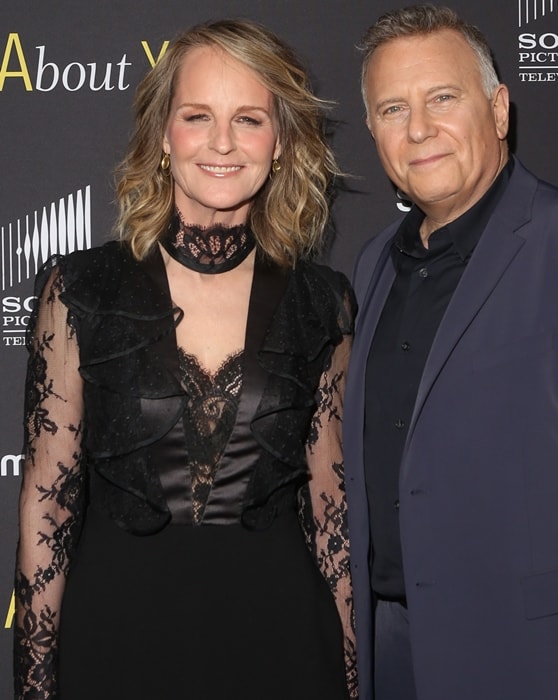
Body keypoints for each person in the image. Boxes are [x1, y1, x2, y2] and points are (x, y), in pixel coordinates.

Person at [343, 5, 558, 700]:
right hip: (395, 656)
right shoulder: (373, 264)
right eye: (391, 108)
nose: (418, 129)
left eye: (443, 98)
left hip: (546, 663)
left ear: (498, 110)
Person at [14, 18, 356, 700]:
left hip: (283, 644)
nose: (223, 143)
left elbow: (330, 511)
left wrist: (350, 676)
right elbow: (48, 507)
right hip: (117, 639)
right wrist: (34, 682)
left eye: (249, 119)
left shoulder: (324, 301)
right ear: (164, 135)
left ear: (280, 141)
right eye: (198, 116)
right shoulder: (82, 289)